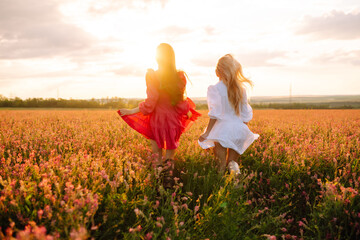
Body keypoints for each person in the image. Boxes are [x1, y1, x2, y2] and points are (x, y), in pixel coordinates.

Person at [118, 43, 201, 183]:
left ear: (157, 58)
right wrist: (188, 112)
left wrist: (132, 111)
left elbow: (150, 103)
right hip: (173, 122)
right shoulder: (179, 76)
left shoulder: (152, 76)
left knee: (157, 156)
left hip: (156, 121)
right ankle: (168, 185)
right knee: (169, 157)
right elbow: (180, 103)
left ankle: (157, 184)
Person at [198, 54, 259, 174]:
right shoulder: (241, 89)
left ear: (218, 71)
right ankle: (236, 185)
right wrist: (241, 129)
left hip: (221, 130)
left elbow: (215, 114)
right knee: (232, 164)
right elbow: (245, 114)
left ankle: (221, 189)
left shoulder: (214, 89)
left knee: (220, 166)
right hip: (238, 128)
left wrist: (207, 132)